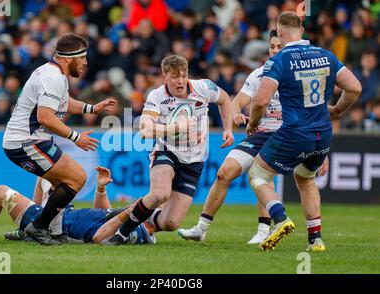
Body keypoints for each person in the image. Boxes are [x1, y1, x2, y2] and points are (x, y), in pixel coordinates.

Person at [178, 30, 329, 250]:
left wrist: (321, 151)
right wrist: (237, 113)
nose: (275, 50)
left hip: (291, 135)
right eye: (272, 46)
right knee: (224, 173)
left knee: (264, 175)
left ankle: (264, 230)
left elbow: (319, 113)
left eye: (280, 46)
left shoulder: (301, 74)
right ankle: (201, 229)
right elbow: (236, 102)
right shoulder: (260, 74)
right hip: (261, 134)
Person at [245, 12, 361, 251]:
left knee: (257, 175)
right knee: (305, 179)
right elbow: (355, 87)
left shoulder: (279, 61)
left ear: (280, 31)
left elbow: (259, 101)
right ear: (302, 30)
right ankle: (315, 240)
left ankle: (280, 219)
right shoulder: (325, 55)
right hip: (323, 133)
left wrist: (253, 123)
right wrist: (338, 110)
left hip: (295, 133)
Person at [106, 54, 235, 245]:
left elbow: (224, 100)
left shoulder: (204, 87)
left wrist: (228, 129)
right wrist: (174, 128)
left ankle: (131, 210)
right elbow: (144, 130)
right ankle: (121, 234)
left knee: (170, 222)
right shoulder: (157, 96)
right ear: (164, 77)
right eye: (175, 76)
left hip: (194, 161)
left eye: (184, 75)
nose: (181, 80)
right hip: (166, 151)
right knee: (160, 194)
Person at [2, 33, 117, 245]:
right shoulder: (52, 77)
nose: (85, 62)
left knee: (63, 181)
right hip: (26, 141)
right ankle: (38, 227)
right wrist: (75, 137)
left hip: (31, 139)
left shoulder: (54, 73)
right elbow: (45, 117)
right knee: (77, 178)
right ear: (67, 58)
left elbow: (63, 102)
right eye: (81, 57)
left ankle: (54, 232)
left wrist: (92, 108)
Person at [0, 167, 156, 245]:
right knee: (46, 176)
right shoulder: (135, 222)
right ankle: (29, 229)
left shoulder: (138, 232)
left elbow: (101, 238)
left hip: (57, 227)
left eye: (148, 206)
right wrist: (100, 189)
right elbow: (103, 213)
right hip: (61, 215)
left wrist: (127, 212)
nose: (144, 204)